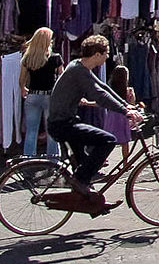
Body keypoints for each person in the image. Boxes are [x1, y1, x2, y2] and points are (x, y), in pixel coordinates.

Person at [48, 36, 141, 208]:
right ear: (97, 54)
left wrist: (127, 106)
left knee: (84, 163)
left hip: (64, 121)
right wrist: (124, 111)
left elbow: (104, 88)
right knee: (108, 140)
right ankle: (79, 182)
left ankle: (91, 201)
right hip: (63, 124)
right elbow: (98, 95)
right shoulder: (78, 71)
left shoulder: (79, 66)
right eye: (105, 53)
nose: (107, 57)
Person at [20, 27, 57, 158]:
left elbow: (22, 79)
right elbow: (61, 78)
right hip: (49, 96)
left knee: (31, 131)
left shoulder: (28, 58)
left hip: (33, 95)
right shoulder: (54, 58)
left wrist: (23, 89)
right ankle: (53, 159)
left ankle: (28, 158)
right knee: (51, 130)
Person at [101, 63, 137, 162]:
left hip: (111, 116)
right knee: (125, 142)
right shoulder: (128, 91)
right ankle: (125, 163)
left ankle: (102, 159)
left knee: (108, 140)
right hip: (123, 117)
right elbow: (132, 104)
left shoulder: (110, 91)